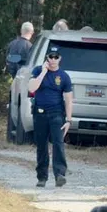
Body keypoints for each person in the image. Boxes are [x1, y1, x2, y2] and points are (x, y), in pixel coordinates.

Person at [27, 45, 73, 187]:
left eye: (56, 57)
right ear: (47, 58)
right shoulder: (37, 71)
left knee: (58, 144)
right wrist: (43, 72)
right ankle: (42, 177)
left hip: (56, 114)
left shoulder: (64, 77)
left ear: (60, 59)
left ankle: (59, 174)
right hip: (40, 113)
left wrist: (69, 120)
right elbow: (31, 88)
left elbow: (69, 99)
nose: (53, 60)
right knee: (41, 146)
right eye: (50, 57)